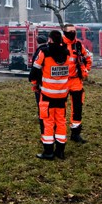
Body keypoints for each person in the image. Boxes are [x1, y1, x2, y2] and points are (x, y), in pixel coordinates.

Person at [29, 30, 70, 160]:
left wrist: (34, 81)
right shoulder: (67, 53)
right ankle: (60, 151)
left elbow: (34, 71)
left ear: (50, 39)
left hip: (47, 94)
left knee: (48, 122)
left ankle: (48, 152)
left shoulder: (44, 52)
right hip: (62, 95)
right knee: (61, 122)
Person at [63, 24, 88, 144]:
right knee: (59, 108)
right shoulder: (58, 44)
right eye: (70, 31)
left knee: (77, 107)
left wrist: (85, 71)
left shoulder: (78, 44)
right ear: (64, 32)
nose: (73, 33)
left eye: (74, 31)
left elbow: (87, 58)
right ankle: (59, 133)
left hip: (75, 80)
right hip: (61, 81)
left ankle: (76, 133)